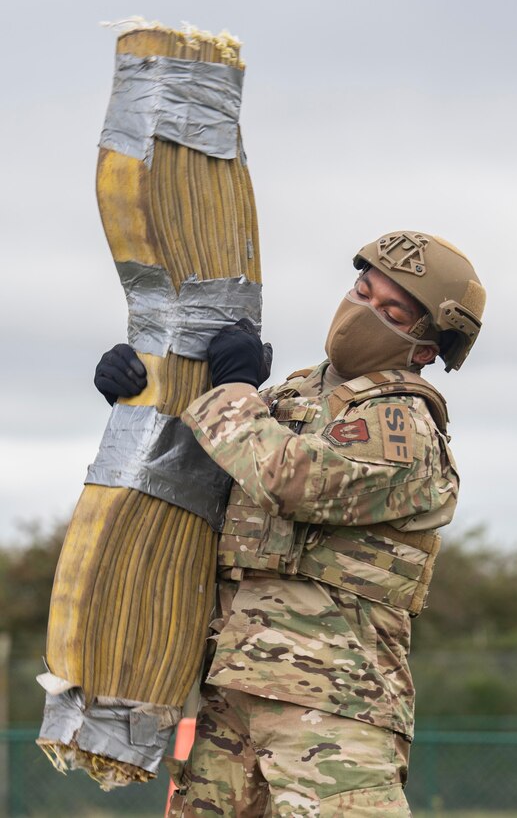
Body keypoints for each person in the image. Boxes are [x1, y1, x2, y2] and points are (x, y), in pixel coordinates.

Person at [95, 230, 486, 817]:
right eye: (361, 291)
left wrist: (233, 390)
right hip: (229, 695)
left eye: (391, 312)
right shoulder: (291, 398)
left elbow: (285, 477)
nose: (361, 313)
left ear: (427, 347)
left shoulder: (403, 426)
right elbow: (207, 472)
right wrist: (147, 395)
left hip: (335, 708)